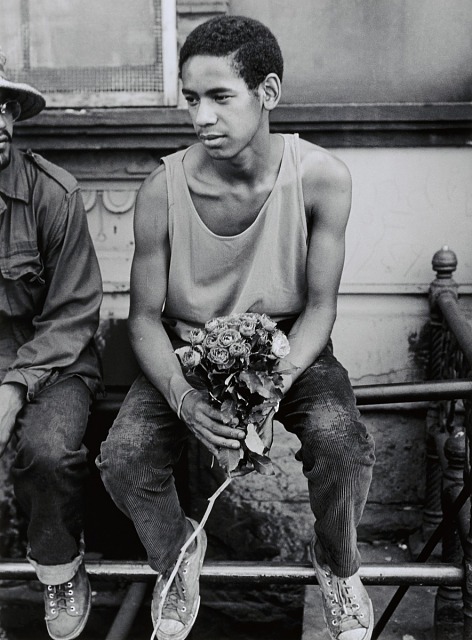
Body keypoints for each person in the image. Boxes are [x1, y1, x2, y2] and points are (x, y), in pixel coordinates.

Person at [97, 15, 376, 640]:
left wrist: (271, 385)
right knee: (122, 460)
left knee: (342, 446)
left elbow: (321, 307)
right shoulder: (159, 190)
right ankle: (178, 558)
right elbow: (142, 318)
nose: (200, 118)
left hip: (288, 340)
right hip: (187, 347)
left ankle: (337, 564)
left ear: (267, 93)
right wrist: (186, 398)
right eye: (191, 100)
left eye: (220, 97)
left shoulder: (323, 179)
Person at [0, 50, 102, 640]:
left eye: (4, 105)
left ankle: (61, 570)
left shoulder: (53, 195)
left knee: (46, 448)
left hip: (56, 362)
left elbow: (71, 317)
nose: (0, 120)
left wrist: (13, 388)